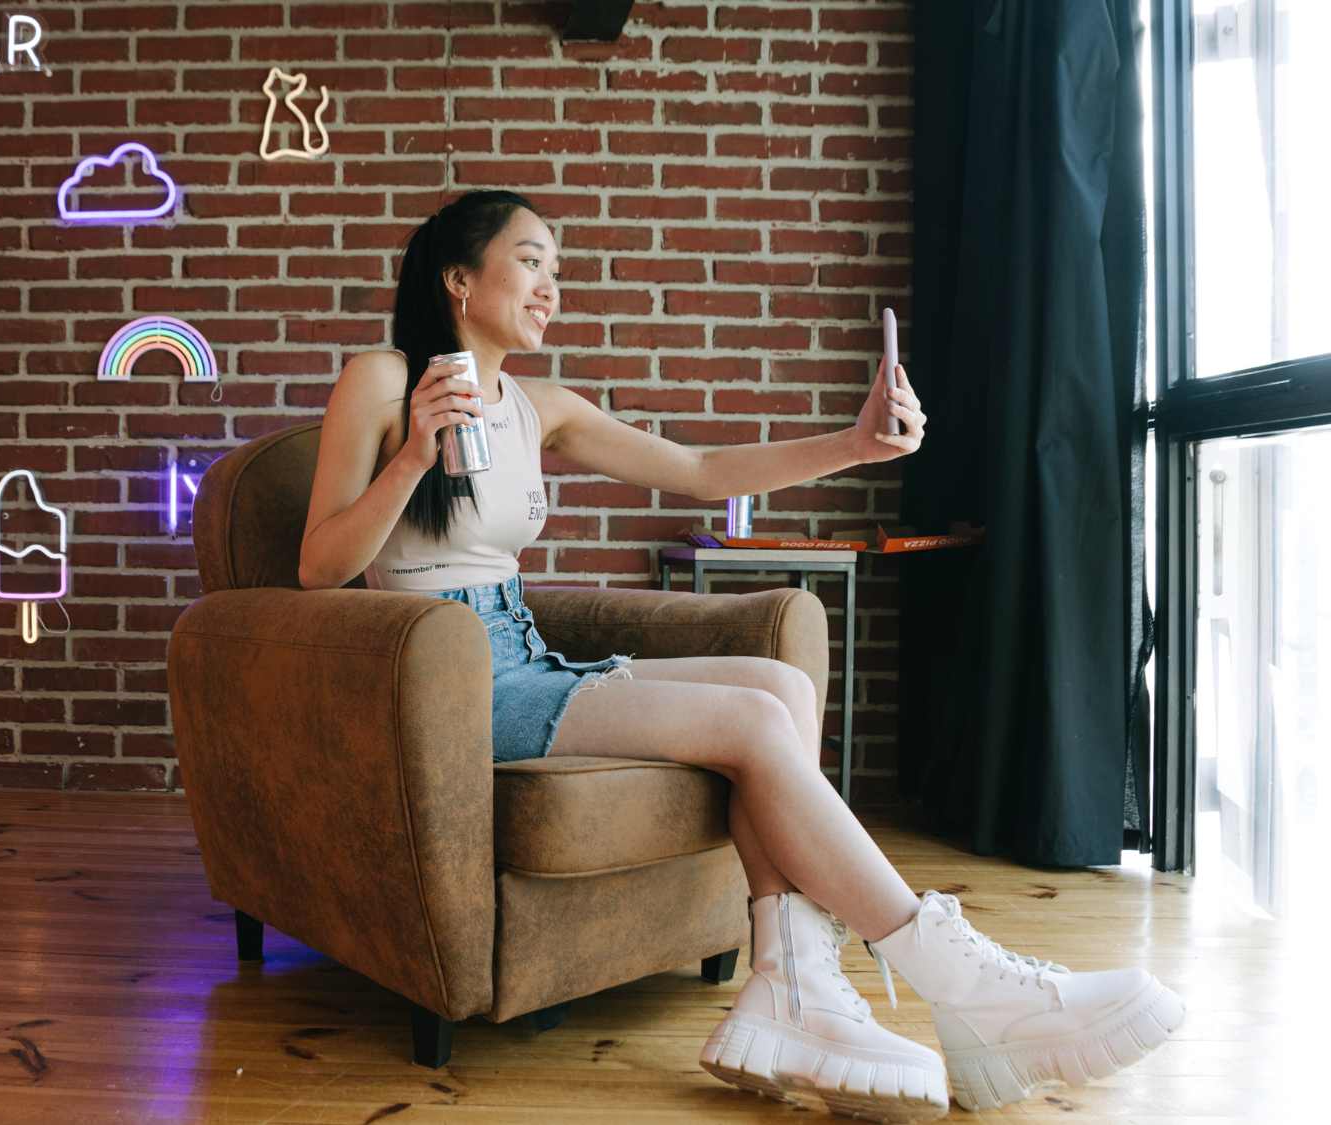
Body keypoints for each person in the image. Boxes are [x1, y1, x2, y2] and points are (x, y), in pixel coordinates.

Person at [296, 190, 1184, 1121]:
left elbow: (704, 471)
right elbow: (320, 567)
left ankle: (792, 987)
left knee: (779, 685)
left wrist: (856, 443)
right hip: (443, 681)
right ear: (458, 277)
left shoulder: (541, 405)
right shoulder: (381, 380)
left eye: (557, 266)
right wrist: (410, 459)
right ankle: (963, 981)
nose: (552, 285)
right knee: (757, 719)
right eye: (531, 260)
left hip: (521, 652)